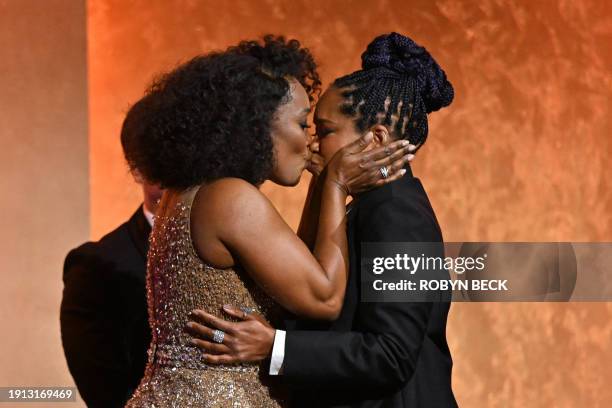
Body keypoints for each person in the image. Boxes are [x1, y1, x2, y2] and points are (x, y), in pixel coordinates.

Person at [123, 35, 414, 407]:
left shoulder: (190, 193)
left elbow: (298, 274)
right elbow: (323, 297)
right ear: (258, 125)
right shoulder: (231, 198)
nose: (310, 141)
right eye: (302, 123)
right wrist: (337, 185)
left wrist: (322, 187)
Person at [186, 32, 458, 407]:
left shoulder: (398, 215)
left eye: (325, 131)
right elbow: (312, 284)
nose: (313, 144)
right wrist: (327, 184)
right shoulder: (371, 205)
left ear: (375, 139)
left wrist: (274, 347)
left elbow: (391, 355)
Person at [60, 96, 164, 407]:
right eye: (162, 158)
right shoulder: (97, 266)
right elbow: (106, 393)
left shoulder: (240, 247)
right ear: (136, 169)